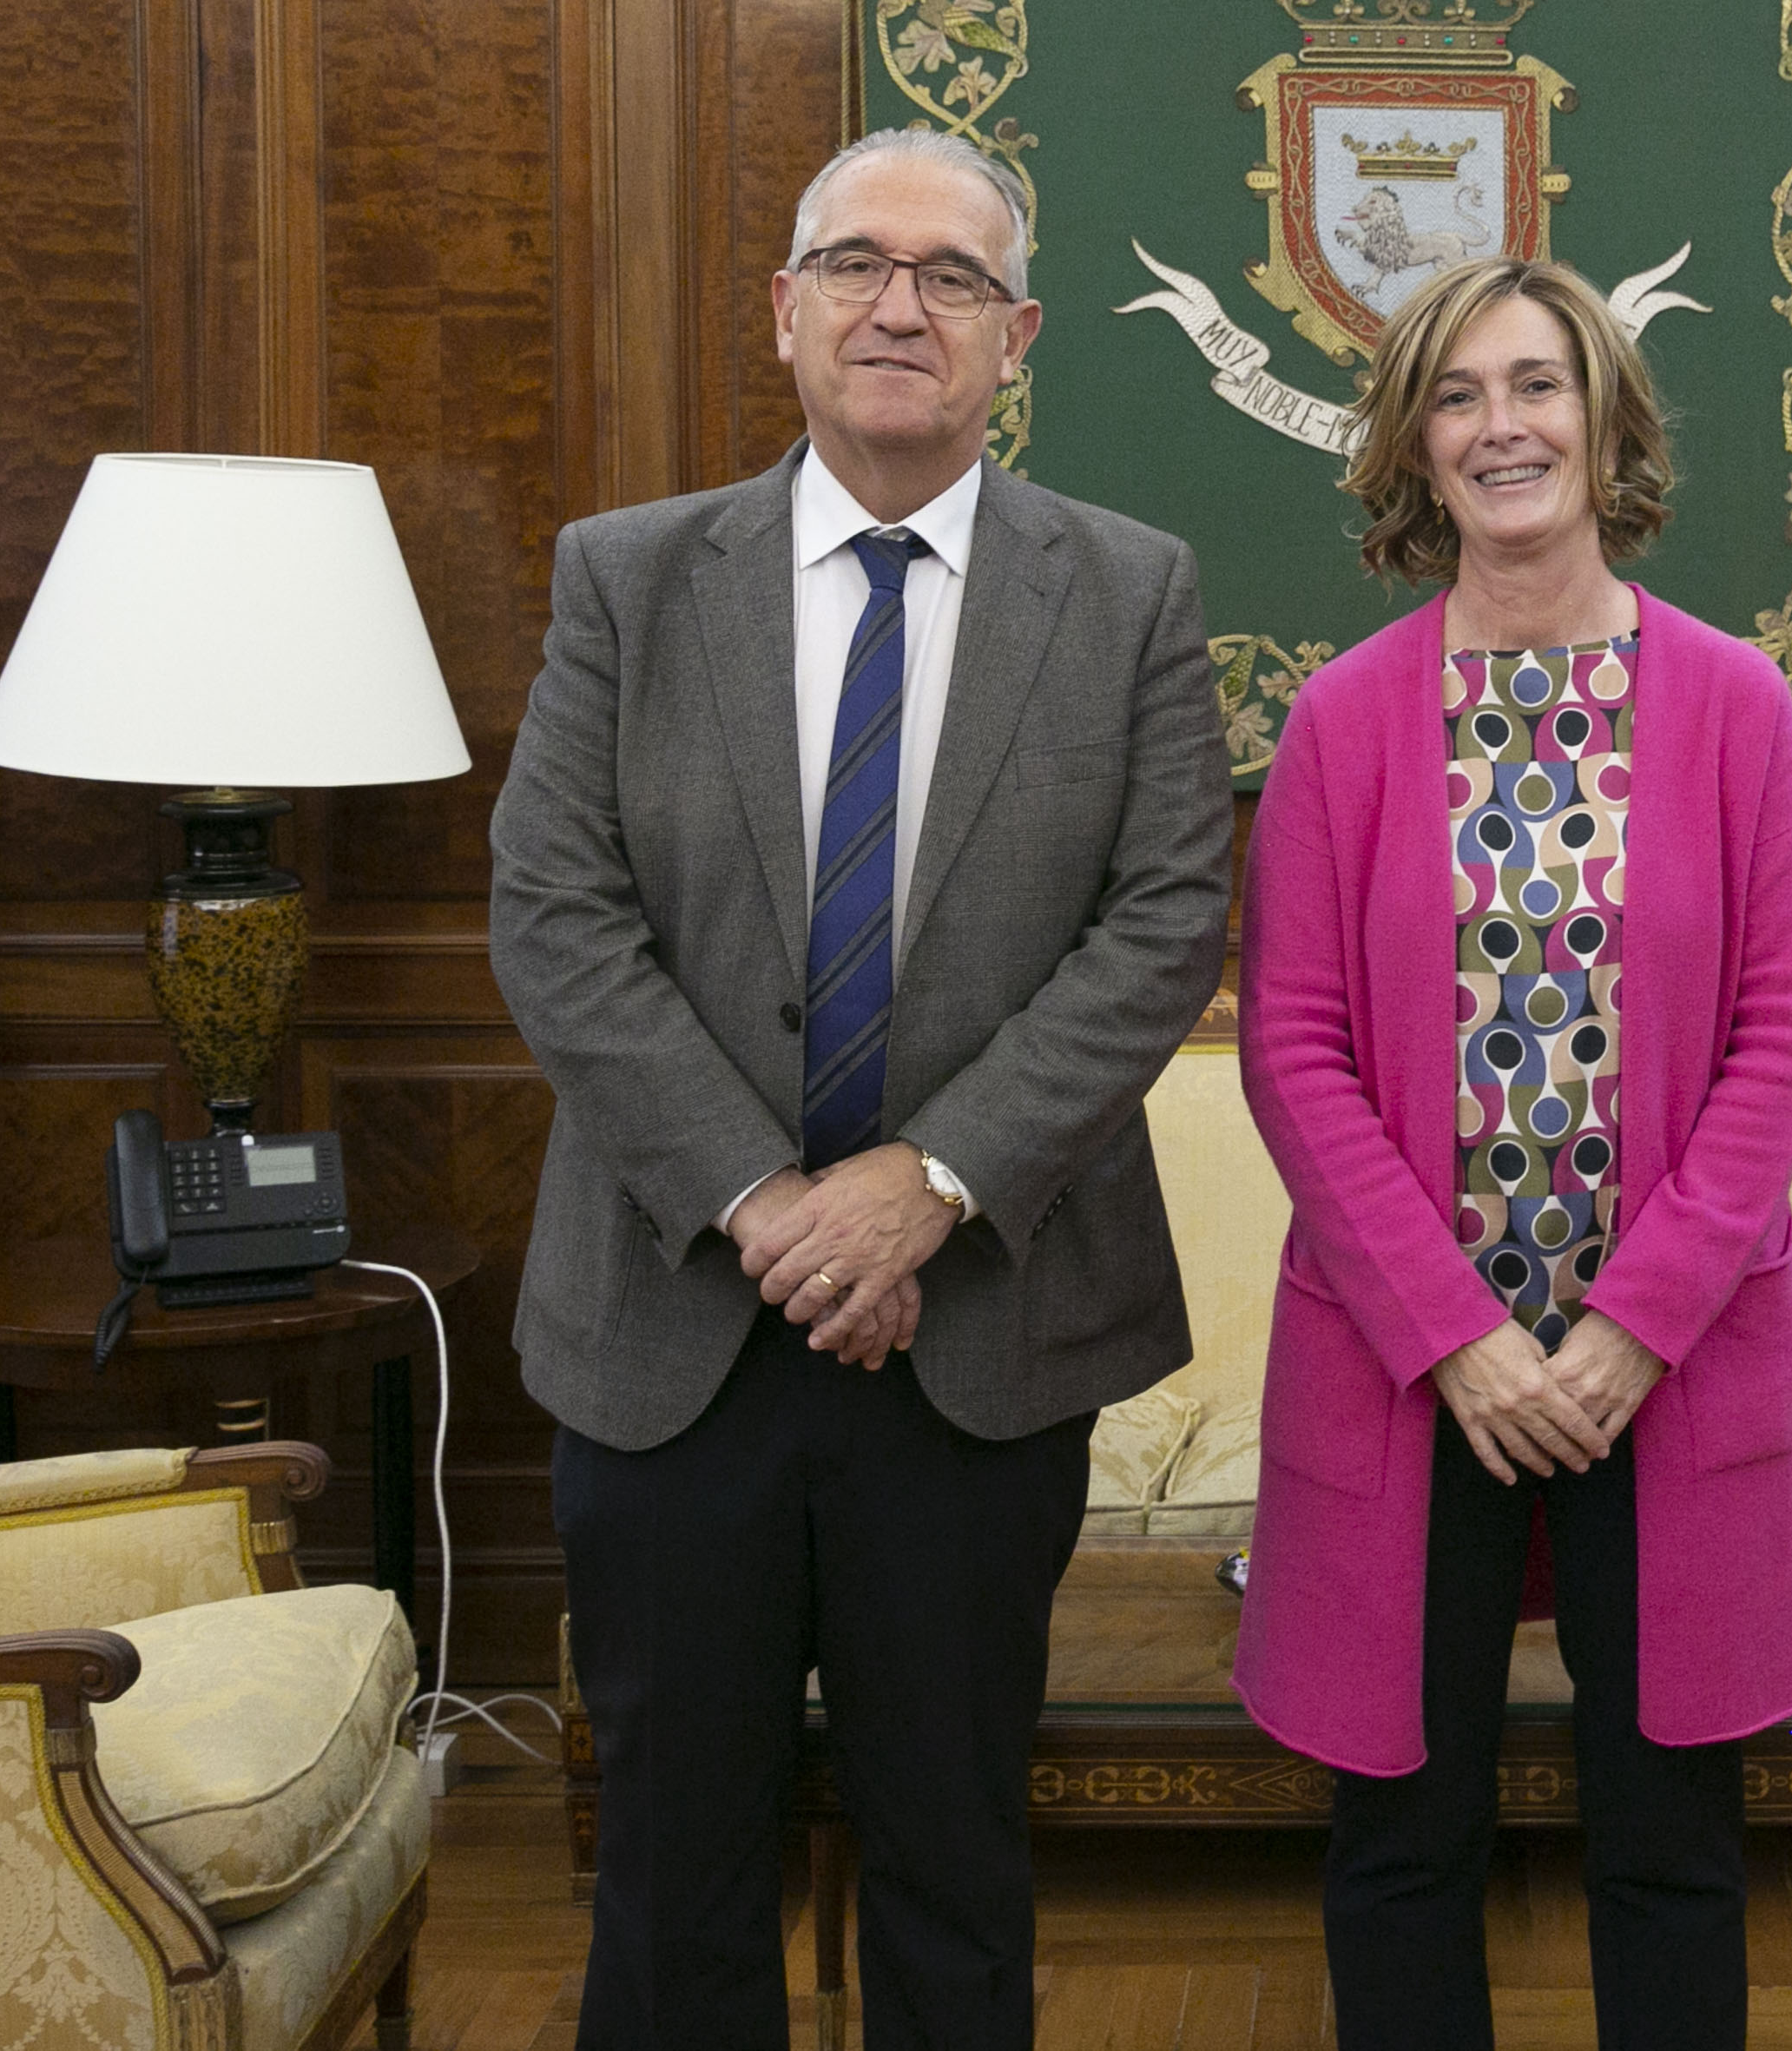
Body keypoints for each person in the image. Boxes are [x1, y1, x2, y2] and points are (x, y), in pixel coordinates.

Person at [490, 127, 1232, 2051]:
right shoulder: (627, 581)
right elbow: (557, 920)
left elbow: (1160, 926)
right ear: (786, 309)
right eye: (856, 263)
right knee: (672, 1869)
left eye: (952, 277)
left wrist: (932, 1181)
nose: (900, 304)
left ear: (1018, 336)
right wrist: (769, 1202)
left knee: (954, 1858)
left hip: (980, 1338)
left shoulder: (1131, 592)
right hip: (673, 1330)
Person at [1230, 256, 1792, 2051]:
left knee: (1668, 1840)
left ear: (1602, 422)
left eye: (1537, 385)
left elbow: (1780, 1039)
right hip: (1408, 1367)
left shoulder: (1736, 703)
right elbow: (1292, 1051)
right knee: (1397, 1836)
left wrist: (1632, 1322)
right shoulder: (1341, 719)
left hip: (1670, 1363)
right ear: (1413, 449)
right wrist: (1462, 1335)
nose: (1500, 425)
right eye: (1455, 394)